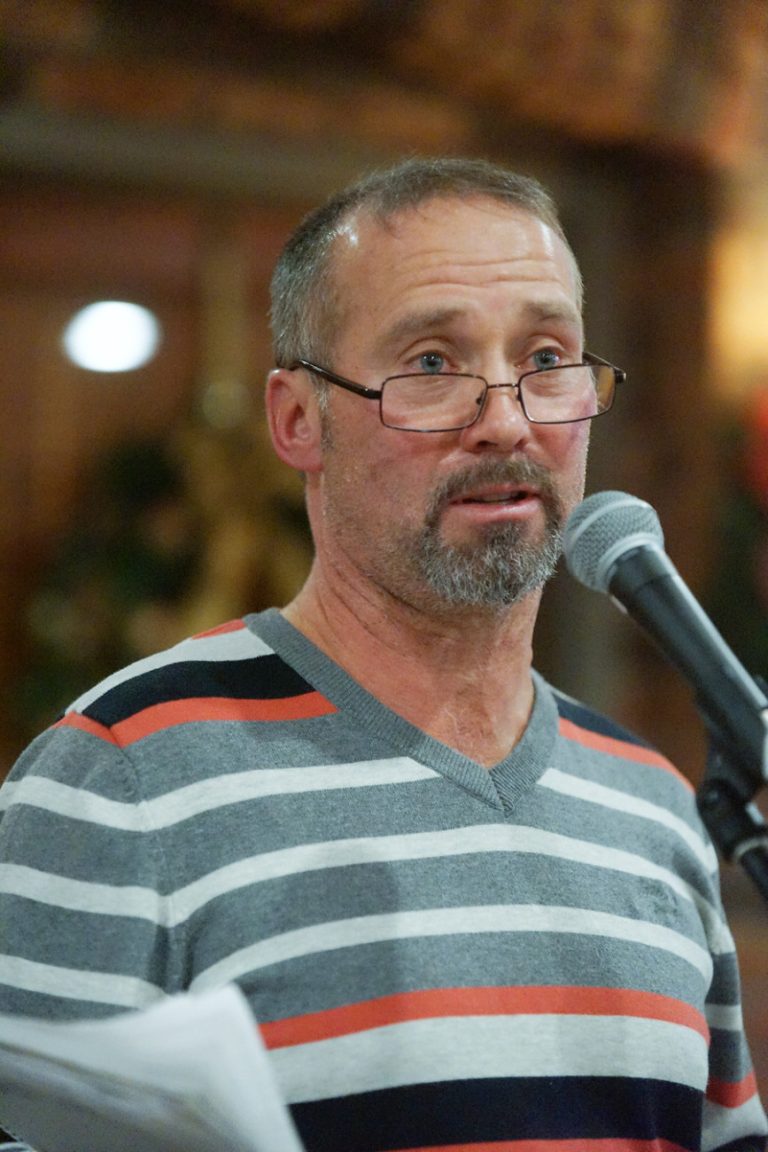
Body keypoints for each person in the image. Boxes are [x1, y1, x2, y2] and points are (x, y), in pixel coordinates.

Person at [0, 156, 765, 1152]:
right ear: (297, 420)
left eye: (546, 357)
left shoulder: (652, 809)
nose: (506, 420)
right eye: (433, 364)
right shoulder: (123, 777)